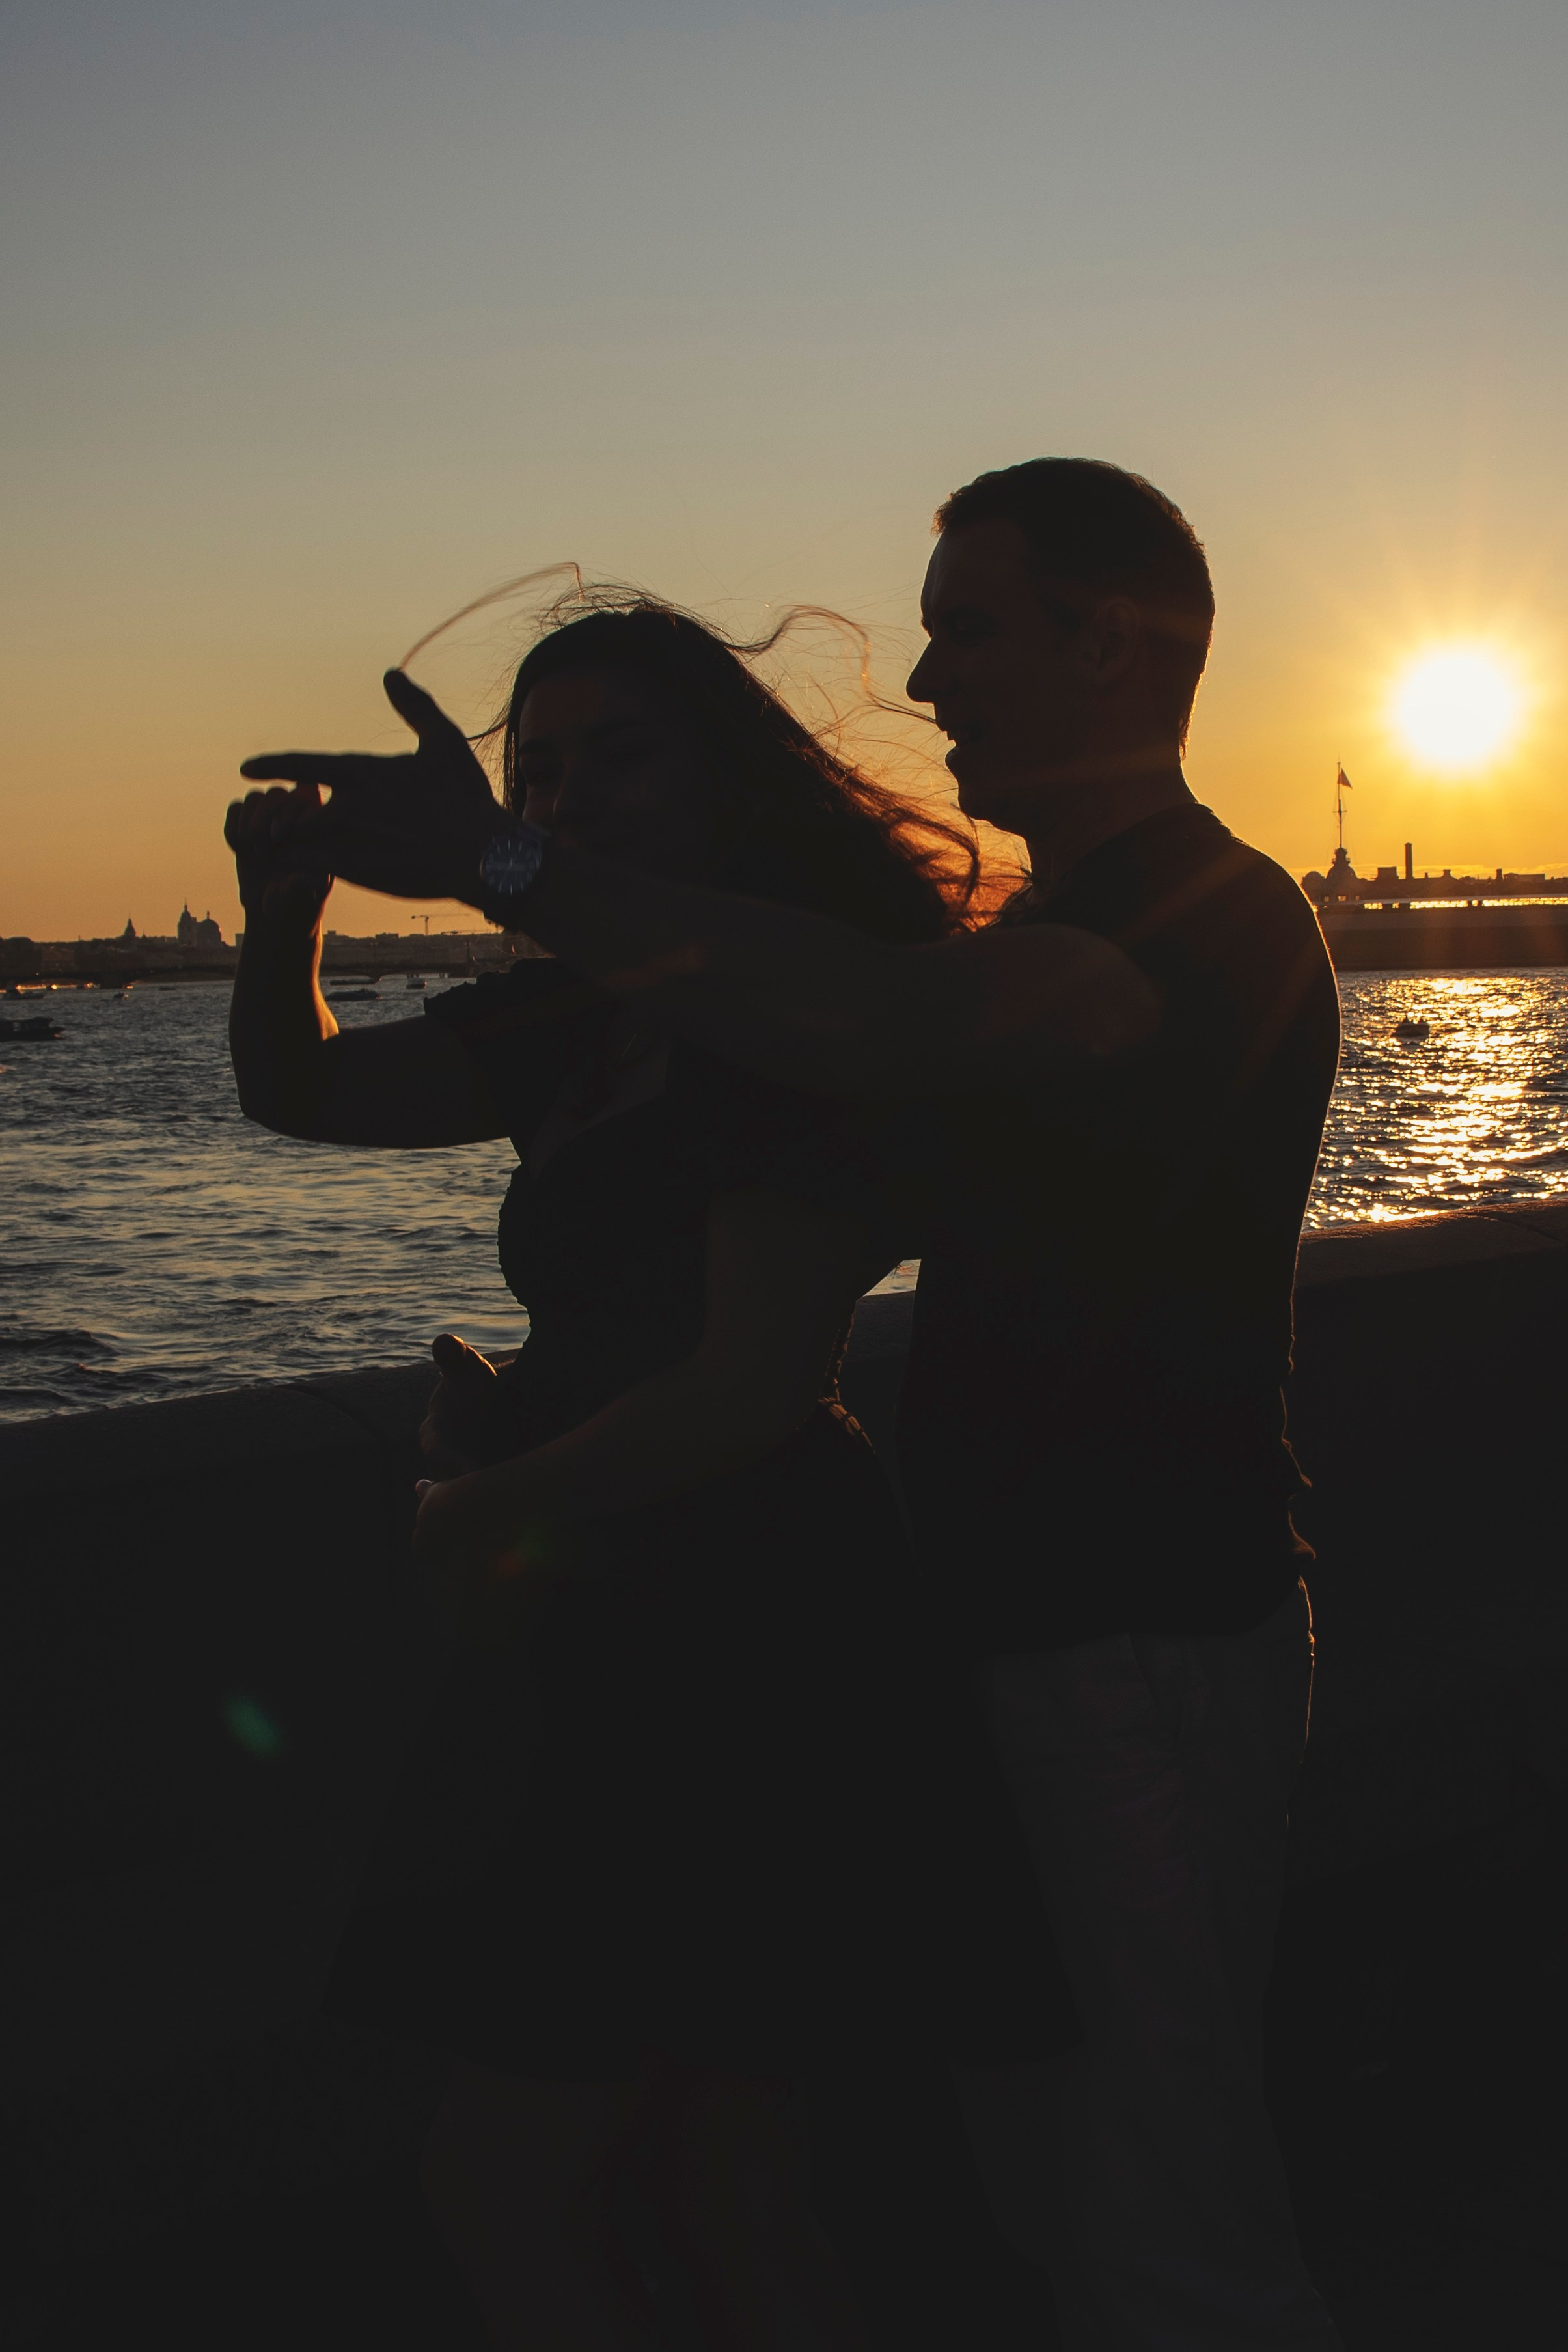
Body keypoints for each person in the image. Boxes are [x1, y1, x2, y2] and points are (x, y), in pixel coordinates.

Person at [243, 458, 1345, 2348]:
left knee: (1157, 2202)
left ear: (1104, 644)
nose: (926, 684)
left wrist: (502, 866)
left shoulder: (1196, 924)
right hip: (988, 1623)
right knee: (981, 2174)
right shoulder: (1009, 937)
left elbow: (858, 1045)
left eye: (966, 633)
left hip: (1130, 1630)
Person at [227, 598, 1000, 2352]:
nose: (574, 796)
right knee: (724, 2166)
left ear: (727, 770)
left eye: (620, 755)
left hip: (738, 1628)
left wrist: (474, 1512)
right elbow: (310, 1093)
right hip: (618, 1614)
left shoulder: (789, 1004)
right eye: (543, 768)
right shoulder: (590, 1015)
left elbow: (747, 1385)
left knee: (526, 2177)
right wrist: (290, 910)